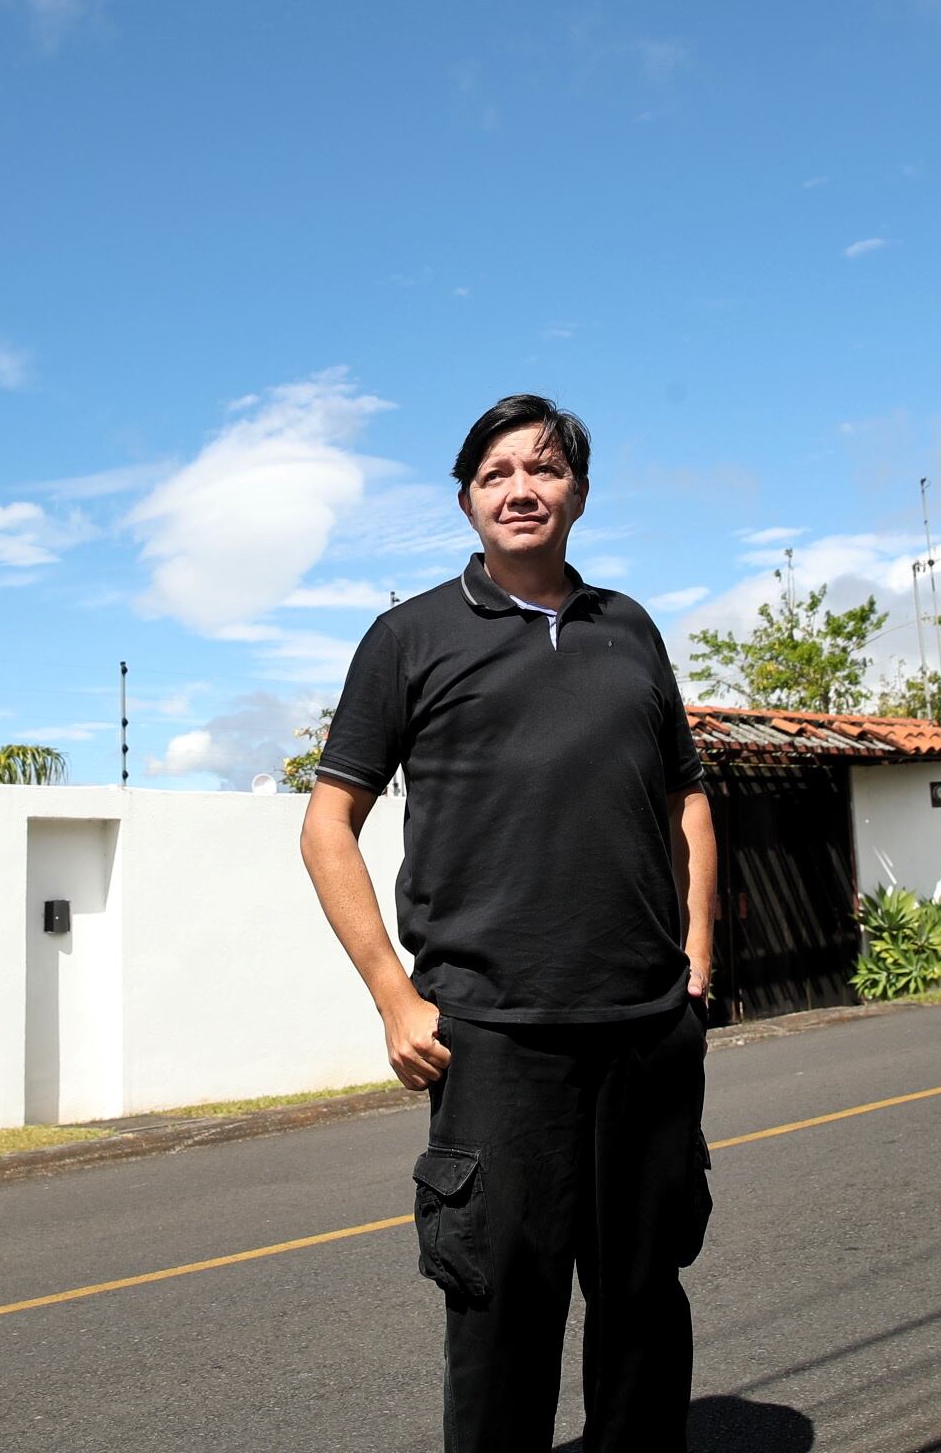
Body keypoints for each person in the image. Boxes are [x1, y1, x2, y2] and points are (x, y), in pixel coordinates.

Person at [299, 393, 719, 1452]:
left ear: (578, 492)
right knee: (501, 1323)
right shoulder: (409, 637)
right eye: (496, 474)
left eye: (543, 469)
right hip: (492, 1037)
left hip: (645, 1031)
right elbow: (327, 826)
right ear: (465, 501)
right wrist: (394, 997)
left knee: (644, 1304)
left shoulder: (630, 628)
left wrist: (697, 958)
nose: (521, 489)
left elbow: (687, 797)